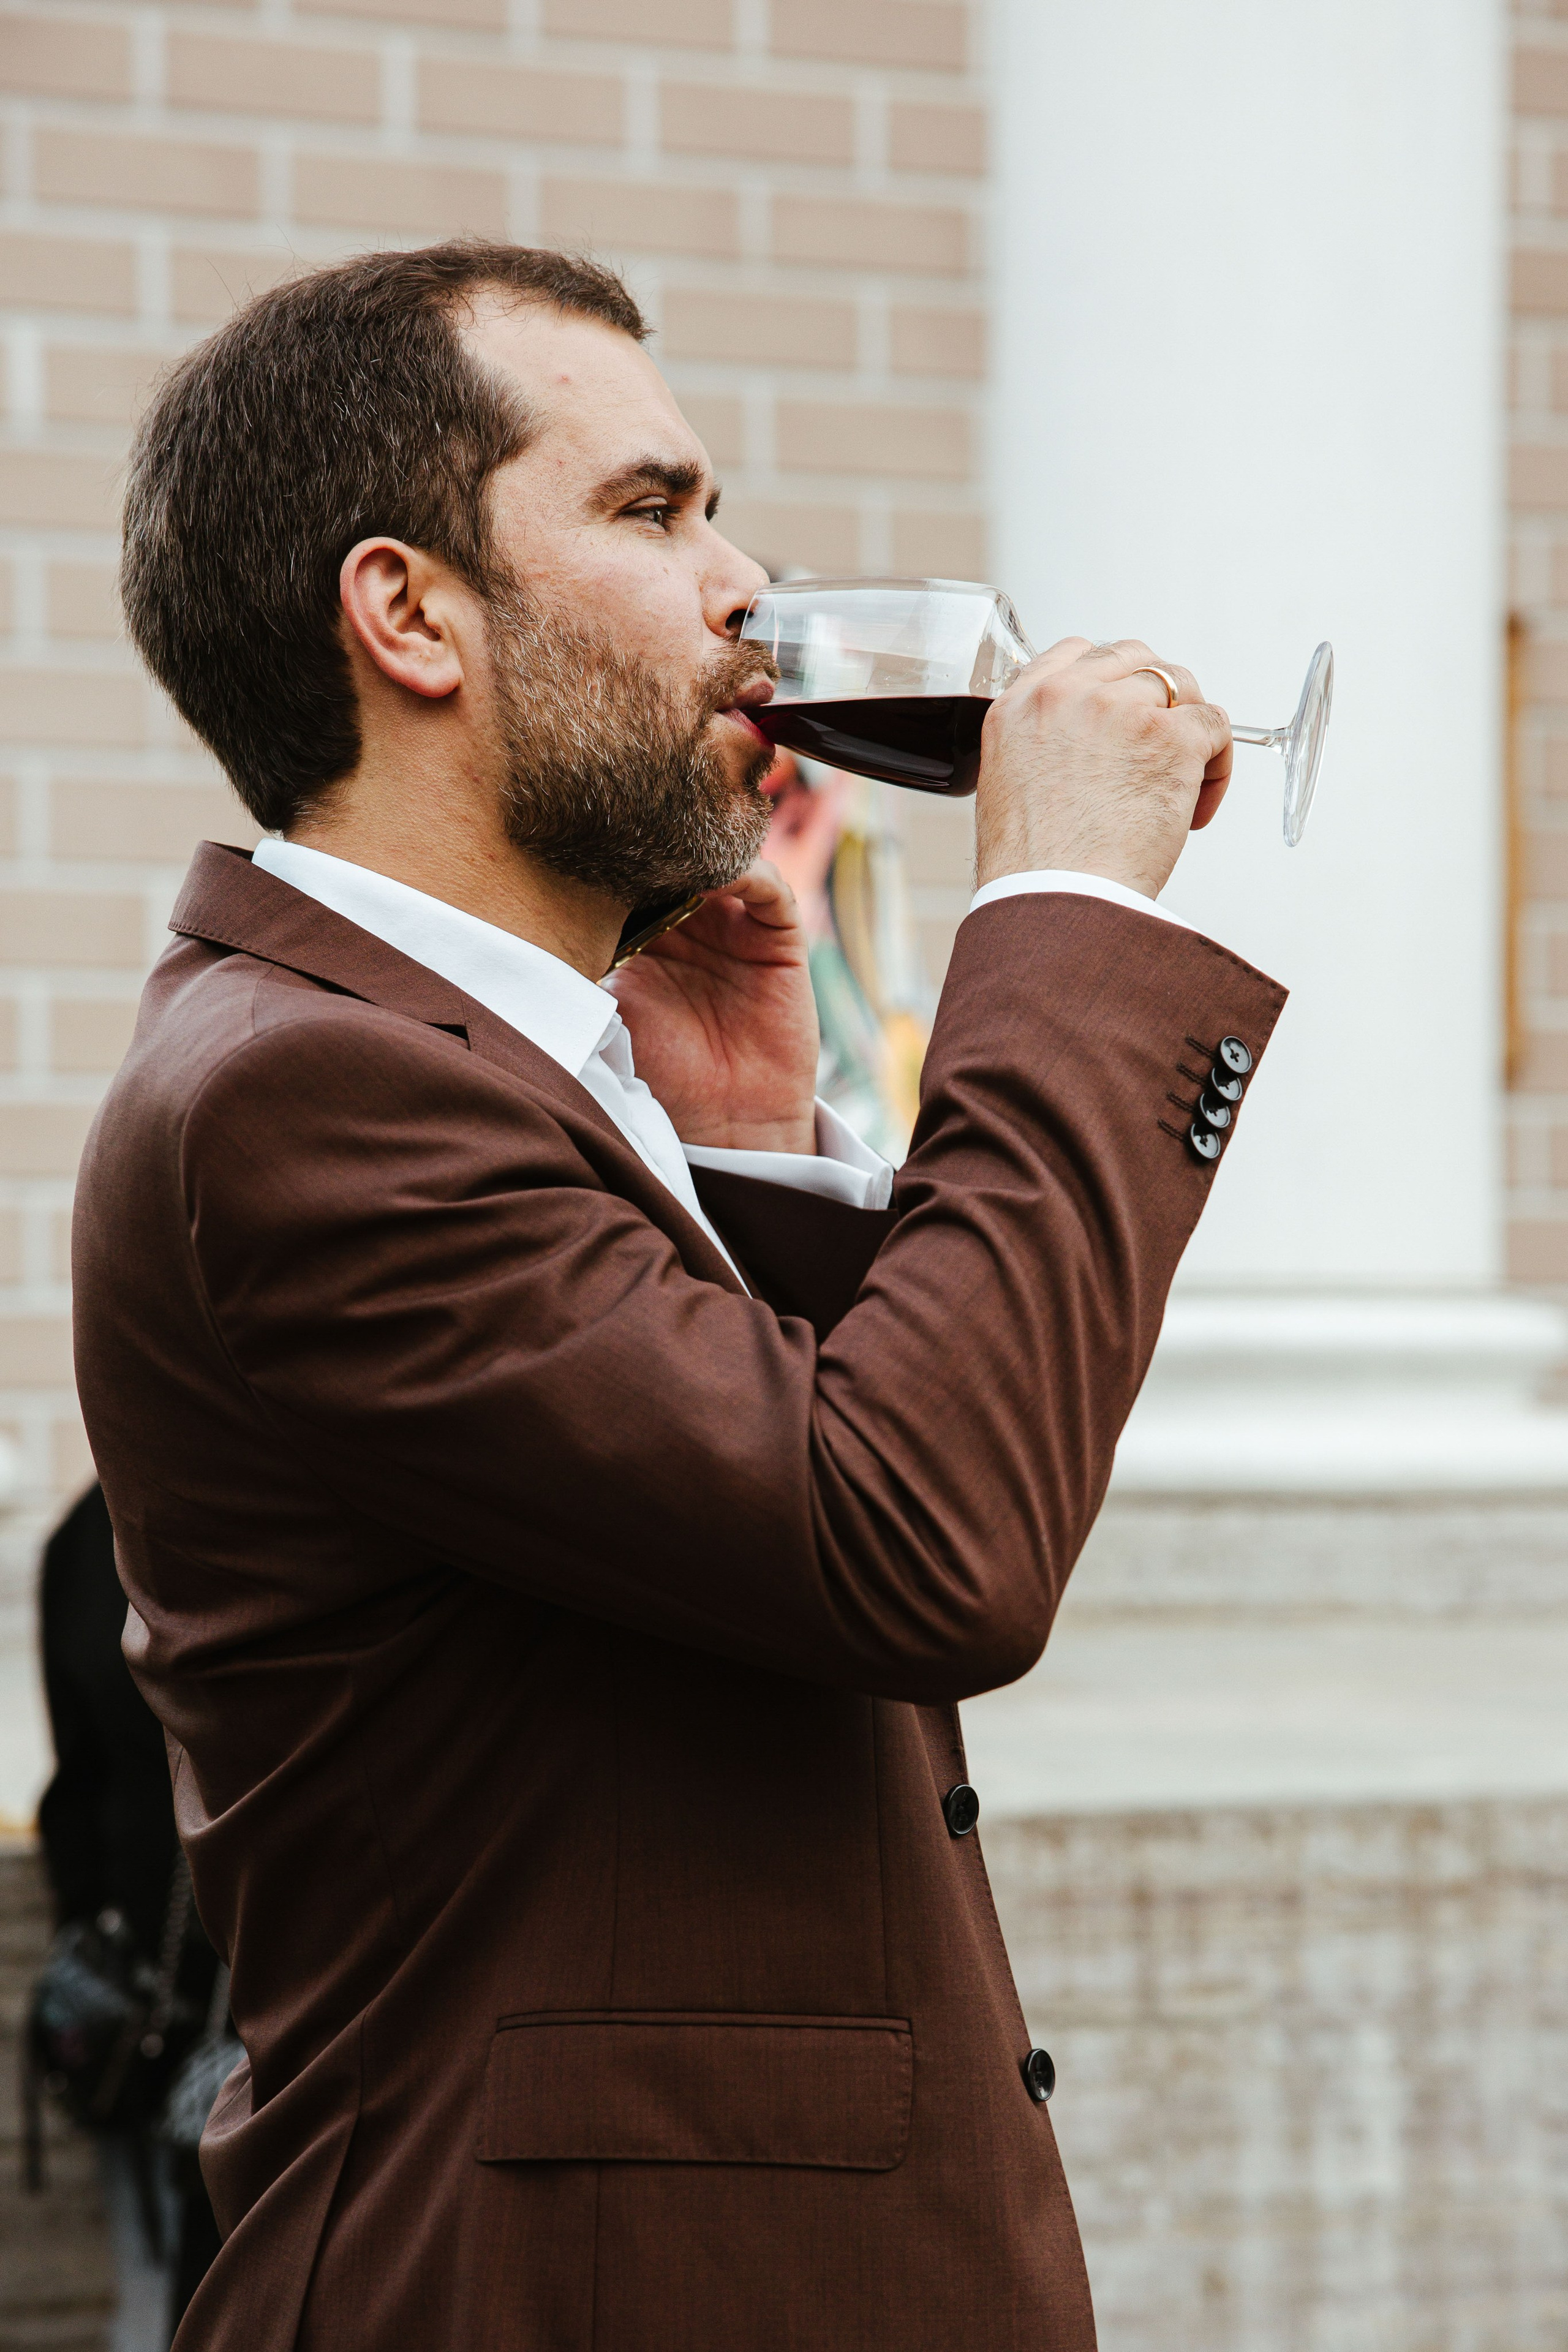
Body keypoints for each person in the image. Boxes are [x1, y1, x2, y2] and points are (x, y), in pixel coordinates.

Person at [72, 239, 1284, 2351]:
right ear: (410, 615)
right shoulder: (301, 1092)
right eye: (654, 512)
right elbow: (924, 1546)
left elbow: (755, 1563)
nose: (746, 586)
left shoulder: (468, 1062)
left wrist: (737, 1161)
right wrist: (1064, 911)